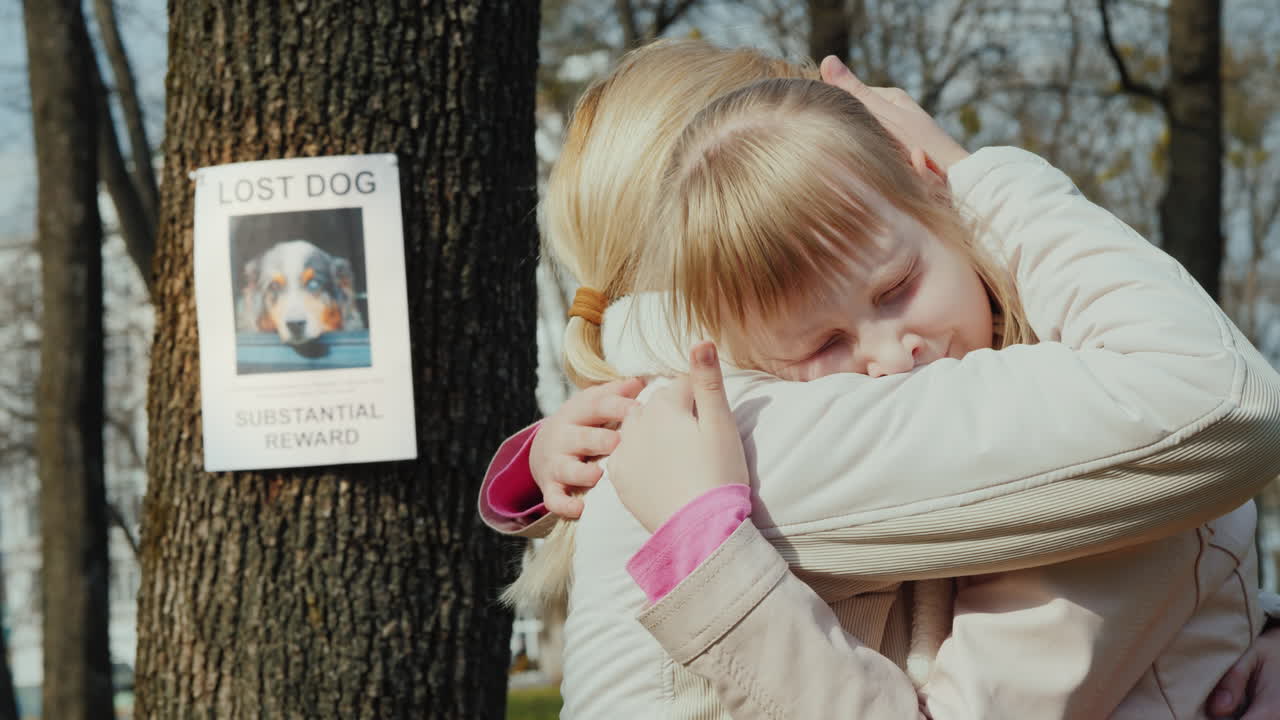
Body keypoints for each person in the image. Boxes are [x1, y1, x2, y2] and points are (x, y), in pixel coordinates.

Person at [479, 40, 1280, 718]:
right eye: (820, 341)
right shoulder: (704, 411)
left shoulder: (697, 410)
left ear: (926, 195)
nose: (893, 354)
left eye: (896, 288)